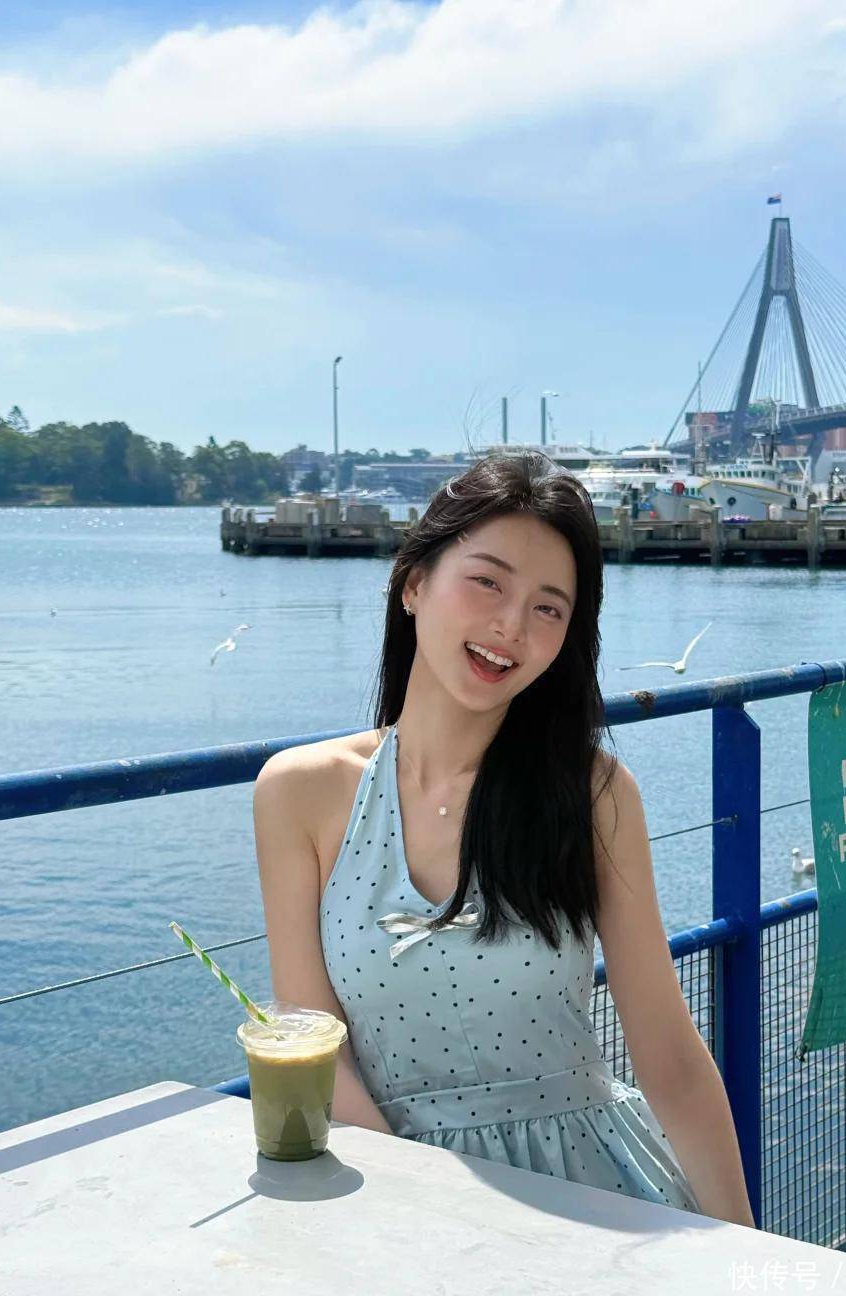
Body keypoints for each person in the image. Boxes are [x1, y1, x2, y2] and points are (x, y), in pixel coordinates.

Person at [252, 450, 755, 1227]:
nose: (511, 627)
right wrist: (423, 1219)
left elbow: (669, 1056)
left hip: (595, 1192)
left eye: (548, 609)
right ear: (414, 583)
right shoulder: (300, 793)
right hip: (395, 1197)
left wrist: (744, 1253)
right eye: (487, 582)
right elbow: (319, 1054)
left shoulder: (592, 794)